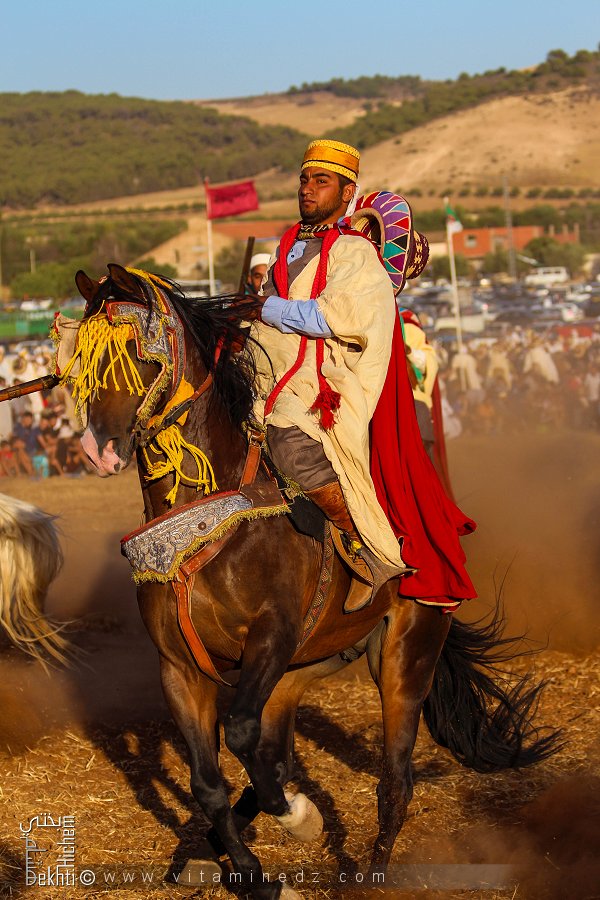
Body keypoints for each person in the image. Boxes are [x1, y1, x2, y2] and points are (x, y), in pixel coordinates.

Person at [247, 138, 476, 614]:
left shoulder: (356, 254)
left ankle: (364, 549)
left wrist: (265, 306)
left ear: (347, 193)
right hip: (272, 375)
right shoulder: (288, 245)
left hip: (327, 385)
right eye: (304, 180)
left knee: (288, 443)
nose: (307, 190)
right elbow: (268, 314)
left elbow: (332, 318)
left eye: (321, 181)